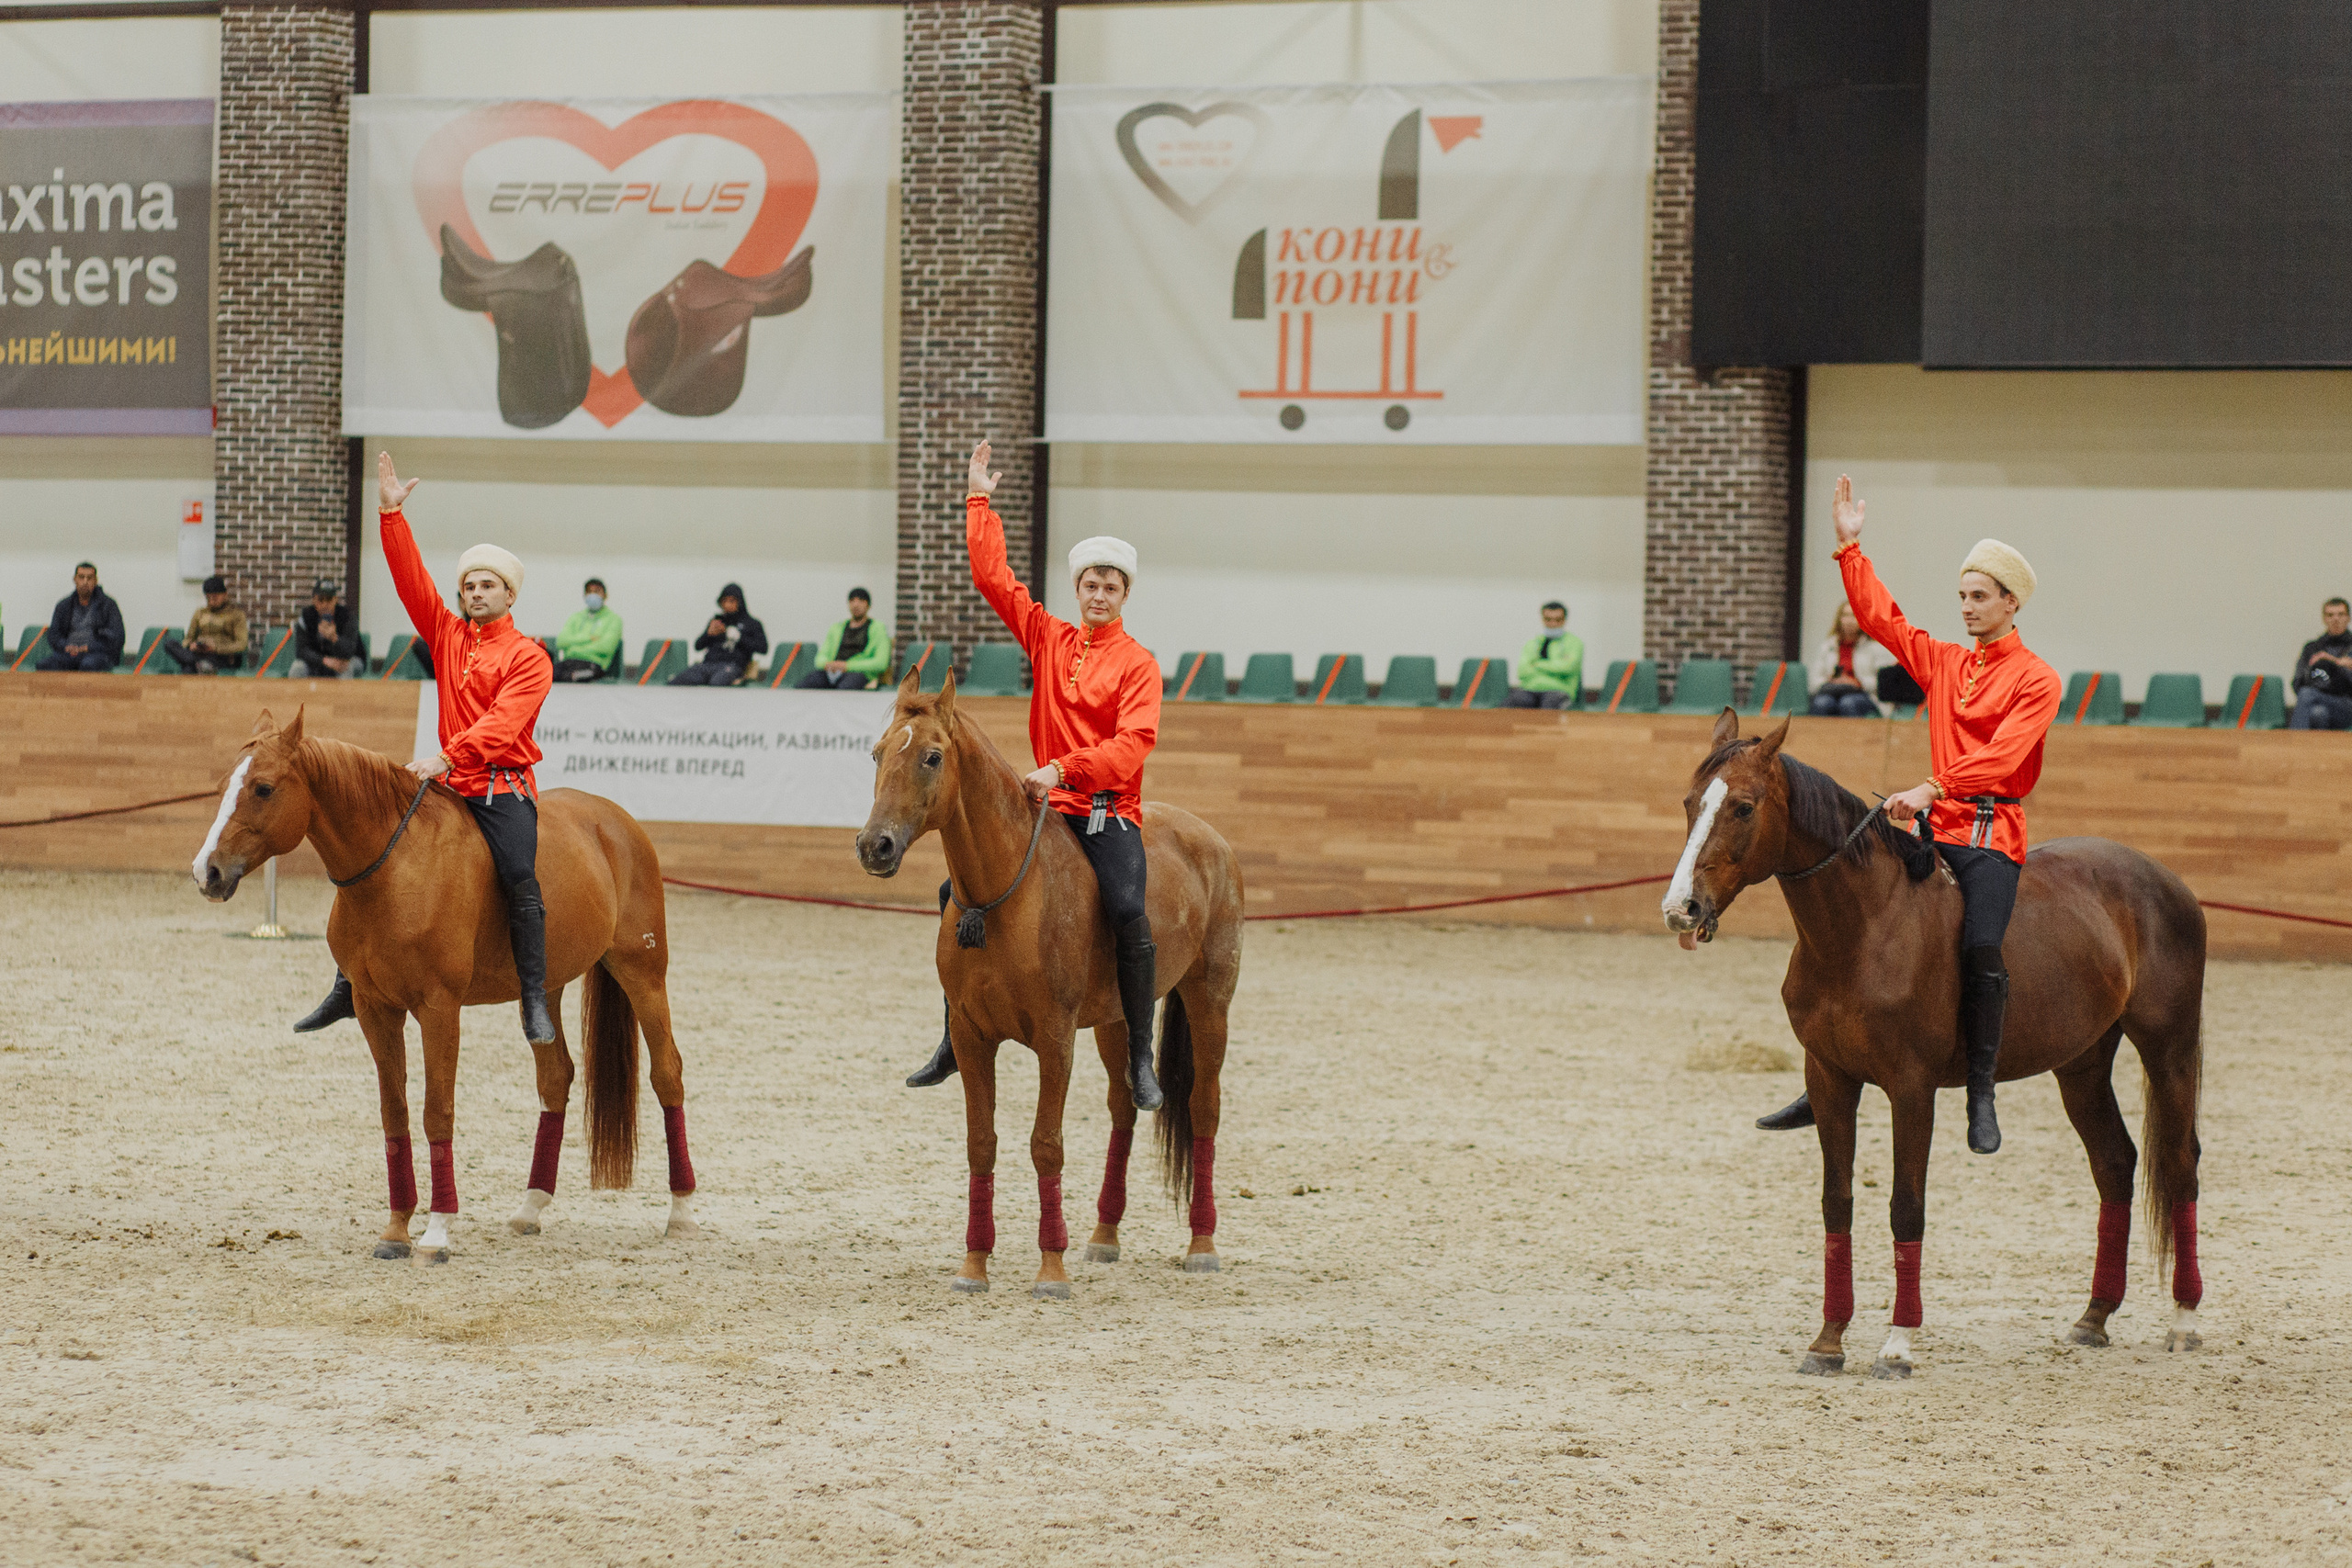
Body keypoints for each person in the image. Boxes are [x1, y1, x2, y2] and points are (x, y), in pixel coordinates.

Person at [1756, 476, 2060, 1156]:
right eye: (1962, 596)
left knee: (1982, 945)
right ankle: (1832, 1065)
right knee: (1852, 917)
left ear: (2012, 602)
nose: (1967, 608)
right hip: (1933, 827)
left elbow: (2006, 756)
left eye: (1980, 597)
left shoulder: (2038, 678)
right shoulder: (1947, 662)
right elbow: (1882, 621)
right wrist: (1848, 545)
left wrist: (1932, 785)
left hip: (1990, 835)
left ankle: (1981, 1088)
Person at [903, 437, 1166, 1111]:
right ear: (1077, 590)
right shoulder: (1050, 636)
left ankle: (1139, 1050)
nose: (1099, 593)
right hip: (1041, 805)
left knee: (1131, 909)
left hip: (1104, 811)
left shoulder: (1137, 664)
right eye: (1089, 583)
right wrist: (978, 498)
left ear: (1124, 594)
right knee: (953, 892)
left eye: (1111, 585)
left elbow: (1133, 746)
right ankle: (950, 1033)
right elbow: (996, 580)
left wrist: (1063, 768)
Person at [294, 451, 558, 1047]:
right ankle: (348, 980)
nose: (475, 592)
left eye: (487, 584)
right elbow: (411, 579)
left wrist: (447, 755)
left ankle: (534, 996)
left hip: (499, 790)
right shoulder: (446, 635)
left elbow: (503, 722)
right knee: (377, 858)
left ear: (509, 594)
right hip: (449, 787)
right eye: (468, 585)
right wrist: (390, 515)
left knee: (520, 875)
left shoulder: (529, 656)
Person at [670, 582, 765, 685]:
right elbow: (698, 646)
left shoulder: (751, 623)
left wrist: (739, 637)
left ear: (740, 602)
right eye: (724, 601)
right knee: (678, 681)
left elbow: (763, 648)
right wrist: (708, 634)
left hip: (733, 666)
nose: (727, 605)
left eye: (731, 601)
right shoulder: (717, 621)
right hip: (708, 665)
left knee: (717, 682)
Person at [38, 562, 125, 671]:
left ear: (96, 581)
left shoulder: (108, 605)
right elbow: (54, 635)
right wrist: (66, 646)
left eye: (89, 578)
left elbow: (117, 637)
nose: (85, 582)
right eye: (81, 577)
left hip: (97, 654)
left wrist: (89, 648)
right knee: (44, 665)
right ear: (75, 579)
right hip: (69, 653)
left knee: (88, 665)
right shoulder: (64, 605)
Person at [798, 587, 892, 689]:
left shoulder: (878, 628)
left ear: (868, 605)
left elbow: (881, 663)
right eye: (852, 601)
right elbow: (820, 658)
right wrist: (828, 664)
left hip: (859, 673)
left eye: (861, 601)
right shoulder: (836, 628)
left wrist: (847, 666)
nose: (856, 605)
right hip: (831, 672)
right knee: (805, 685)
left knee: (844, 690)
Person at [1806, 600, 1886, 716]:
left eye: (1854, 616)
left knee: (1848, 703)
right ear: (1839, 619)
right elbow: (1814, 682)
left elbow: (1883, 684)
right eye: (1846, 615)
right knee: (1821, 703)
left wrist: (1857, 683)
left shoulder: (1873, 648)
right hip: (1831, 693)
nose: (1849, 621)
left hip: (1865, 696)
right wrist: (1830, 681)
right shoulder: (1827, 646)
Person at [159, 575, 249, 674]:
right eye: (208, 598)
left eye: (215, 598)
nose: (211, 602)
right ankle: (199, 664)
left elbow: (241, 644)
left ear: (224, 594)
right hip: (198, 654)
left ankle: (197, 664)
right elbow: (188, 639)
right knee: (169, 643)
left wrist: (215, 648)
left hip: (220, 656)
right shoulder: (200, 613)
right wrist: (191, 645)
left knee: (188, 670)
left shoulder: (236, 615)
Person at [2288, 597, 2352, 730]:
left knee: (2307, 694)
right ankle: (2313, 750)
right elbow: (2297, 682)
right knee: (2318, 713)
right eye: (2330, 615)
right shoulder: (2312, 648)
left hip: (2346, 705)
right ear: (2324, 619)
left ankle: (2292, 746)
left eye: (2340, 614)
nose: (2336, 619)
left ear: (2348, 618)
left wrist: (2336, 663)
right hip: (2316, 703)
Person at [1507, 601, 1584, 709]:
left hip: (1559, 691)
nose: (1553, 624)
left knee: (1550, 704)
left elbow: (1567, 668)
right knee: (1514, 702)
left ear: (1564, 620)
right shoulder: (1533, 643)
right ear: (1542, 619)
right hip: (1530, 689)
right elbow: (1522, 672)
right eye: (1548, 619)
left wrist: (1537, 664)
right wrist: (1554, 667)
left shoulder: (1574, 643)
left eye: (1557, 620)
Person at [554, 577, 624, 682]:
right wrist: (589, 638)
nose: (593, 595)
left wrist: (574, 647)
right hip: (568, 662)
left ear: (605, 595)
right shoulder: (576, 617)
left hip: (594, 665)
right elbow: (561, 641)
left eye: (597, 592)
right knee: (545, 677)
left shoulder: (614, 619)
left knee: (570, 678)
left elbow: (606, 647)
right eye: (589, 592)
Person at [289, 579, 360, 679]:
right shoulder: (306, 617)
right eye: (320, 600)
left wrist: (334, 638)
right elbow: (301, 651)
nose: (325, 604)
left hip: (346, 659)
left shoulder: (347, 617)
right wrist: (325, 660)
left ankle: (344, 695)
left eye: (329, 599)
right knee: (298, 667)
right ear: (314, 600)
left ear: (335, 600)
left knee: (346, 667)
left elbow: (350, 651)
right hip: (319, 660)